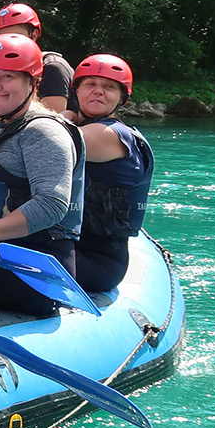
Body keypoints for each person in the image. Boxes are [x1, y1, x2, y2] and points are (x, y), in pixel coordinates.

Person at [0, 34, 85, 316]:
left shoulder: (44, 132)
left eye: (7, 77)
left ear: (33, 83)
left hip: (32, 269)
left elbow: (51, 205)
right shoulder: (3, 127)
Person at [66, 54, 155, 292]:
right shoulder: (79, 127)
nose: (98, 91)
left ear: (121, 98)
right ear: (77, 91)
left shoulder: (110, 136)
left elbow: (47, 140)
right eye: (90, 85)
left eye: (108, 87)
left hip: (97, 260)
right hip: (65, 246)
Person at [0, 0, 74, 112]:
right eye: (2, 39)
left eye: (15, 37)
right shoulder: (6, 72)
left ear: (34, 36)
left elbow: (52, 122)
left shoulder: (52, 67)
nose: (8, 44)